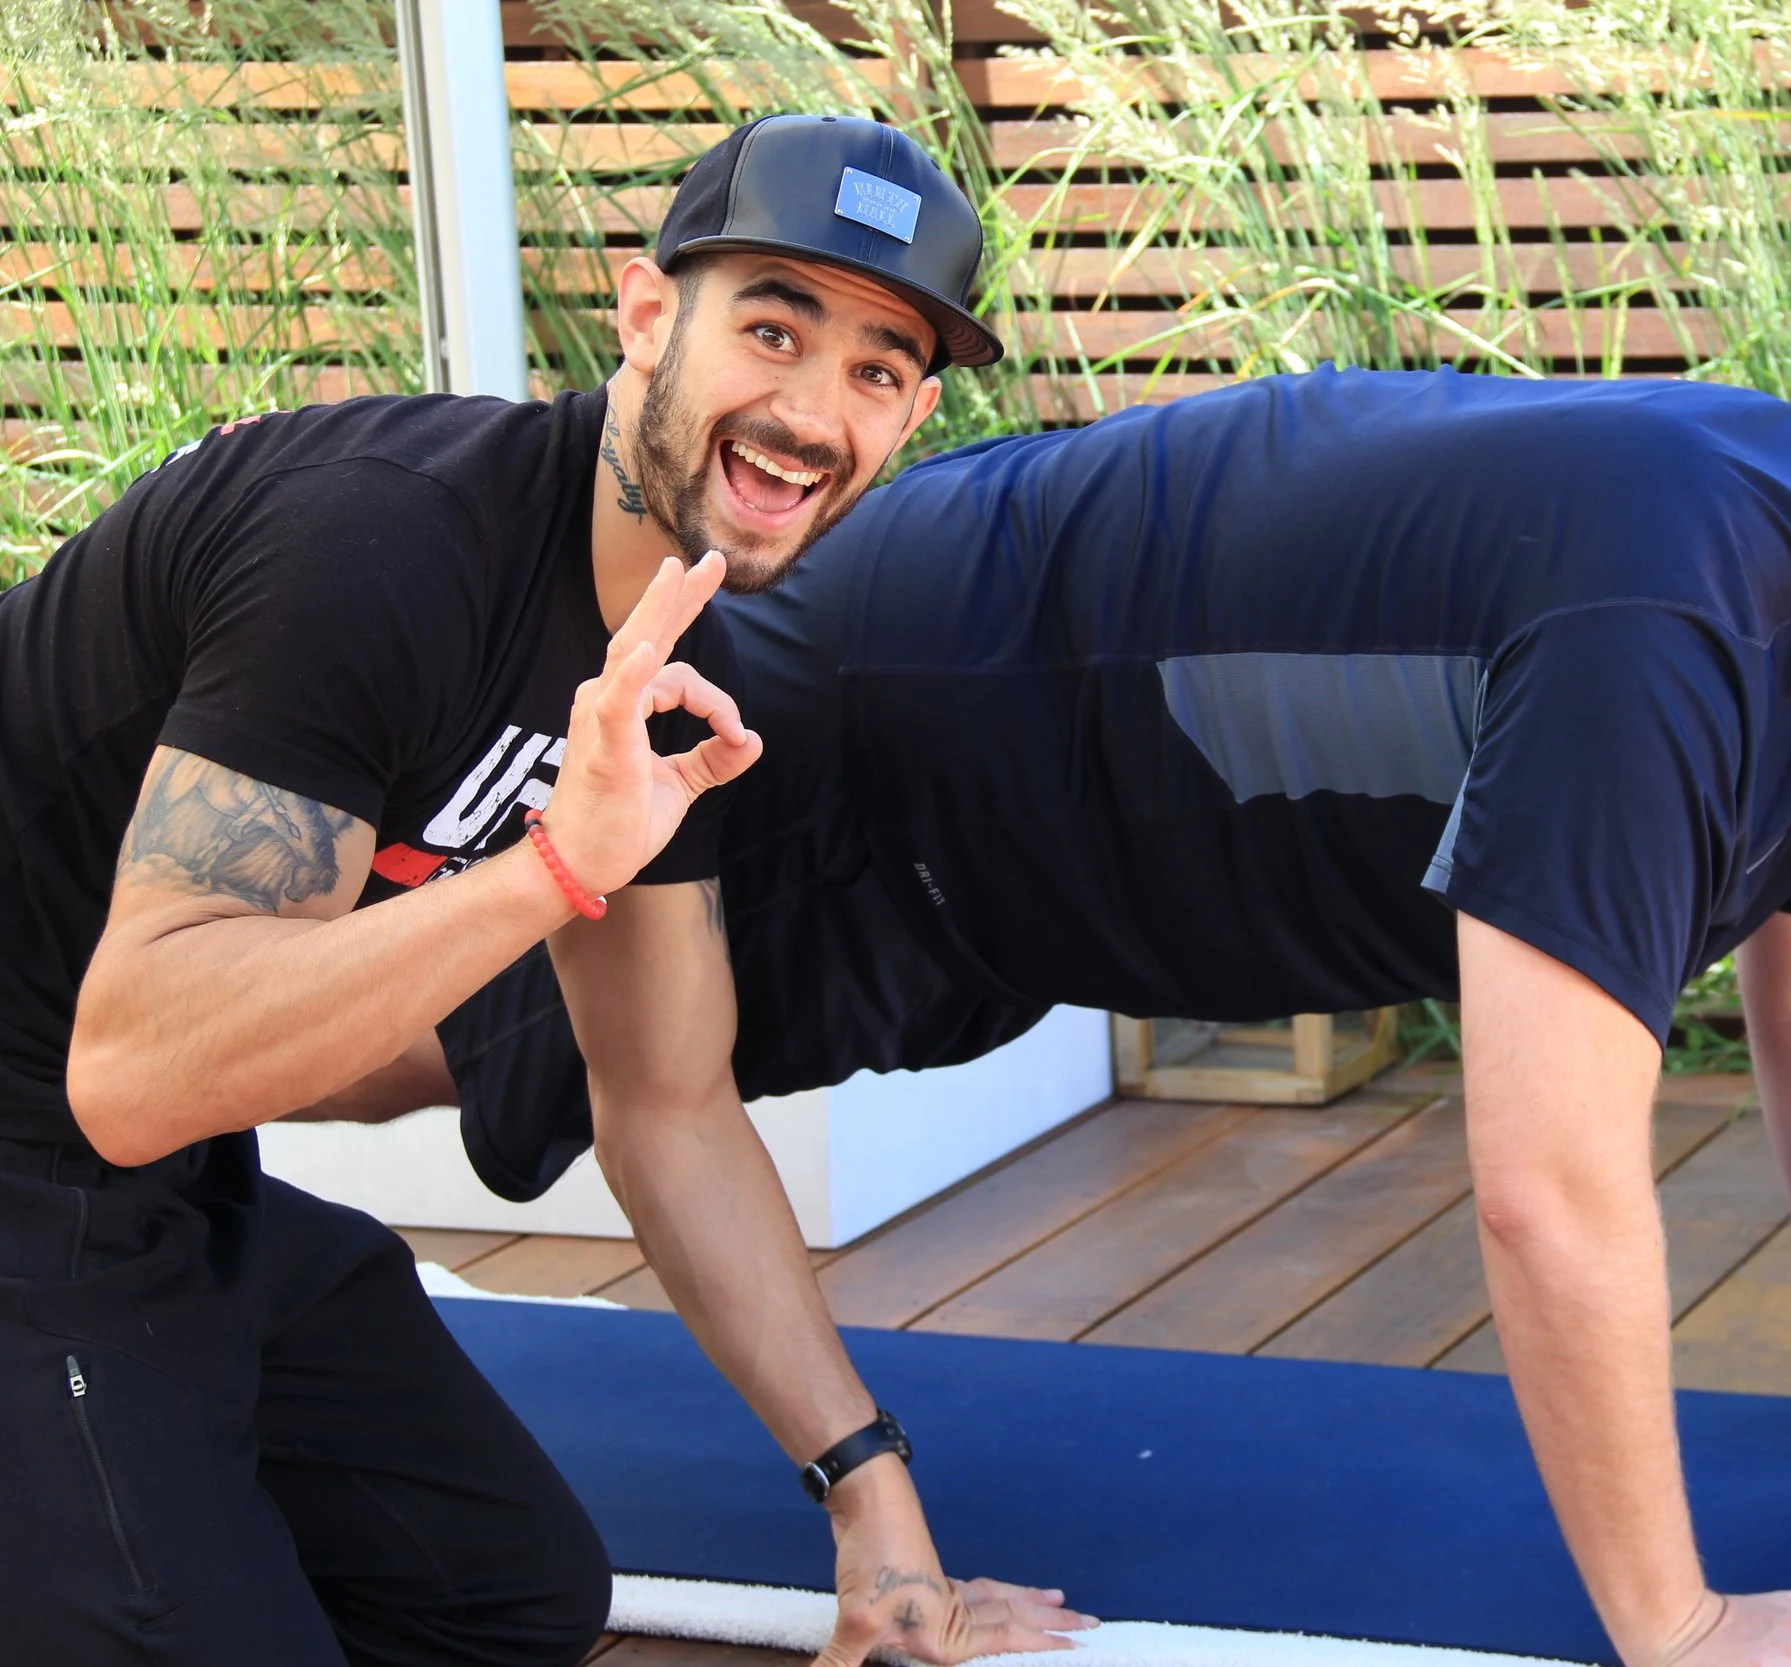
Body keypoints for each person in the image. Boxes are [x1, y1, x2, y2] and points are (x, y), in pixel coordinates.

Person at [430, 367, 1791, 1667]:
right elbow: (1551, 1192)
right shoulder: (1676, 640)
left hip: (1039, 859)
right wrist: (1677, 1622)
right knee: (465, 1032)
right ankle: (169, 1060)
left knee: (491, 1027)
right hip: (881, 761)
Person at [0, 114, 1082, 1667]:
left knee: (506, 1592)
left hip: (155, 1180)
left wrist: (876, 1506)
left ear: (909, 415)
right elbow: (136, 1066)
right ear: (649, 318)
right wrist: (555, 868)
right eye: (771, 327)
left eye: (875, 369)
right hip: (51, 1143)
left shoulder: (665, 650)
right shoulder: (378, 549)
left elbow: (670, 1104)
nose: (808, 411)